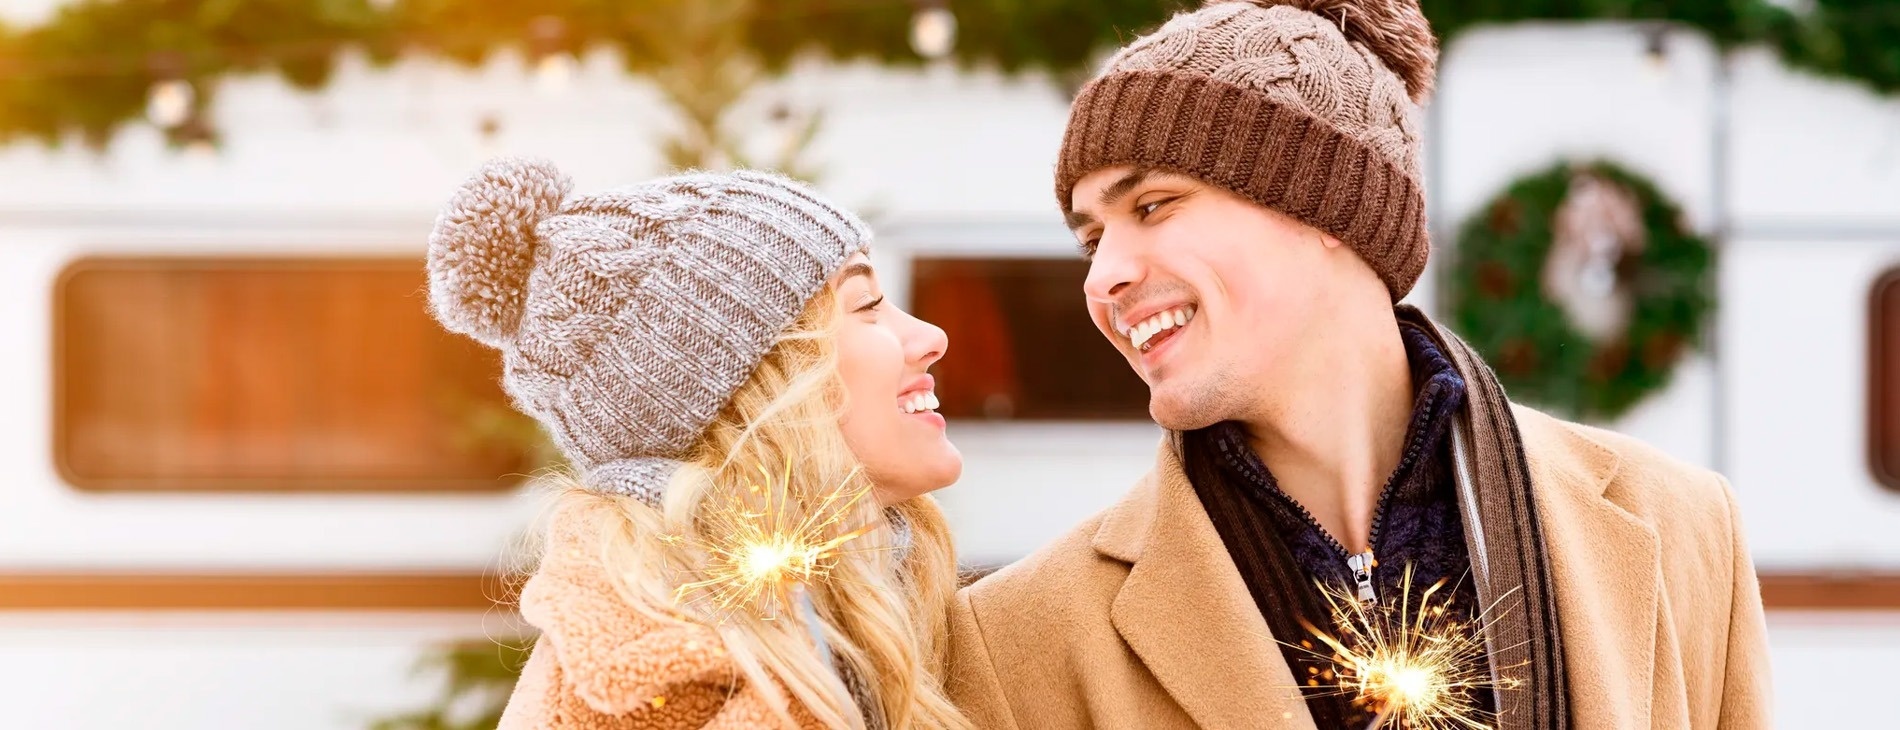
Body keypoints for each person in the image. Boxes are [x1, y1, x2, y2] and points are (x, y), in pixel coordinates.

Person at [944, 1, 1771, 728]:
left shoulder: (1683, 528)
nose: (1101, 276)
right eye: (1092, 239)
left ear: (1322, 205)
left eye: (1152, 206)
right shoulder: (1017, 640)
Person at [426, 159, 971, 729]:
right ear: (758, 392)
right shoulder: (670, 696)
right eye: (866, 305)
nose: (931, 337)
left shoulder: (880, 617)